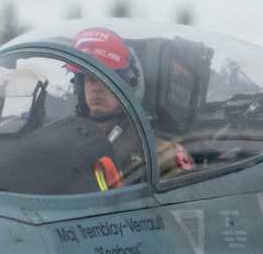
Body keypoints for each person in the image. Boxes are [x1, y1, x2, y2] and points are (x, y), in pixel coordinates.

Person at [69, 28, 194, 189]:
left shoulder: (155, 150)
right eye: (91, 79)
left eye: (106, 79)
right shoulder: (65, 134)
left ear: (128, 85)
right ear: (79, 87)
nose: (96, 88)